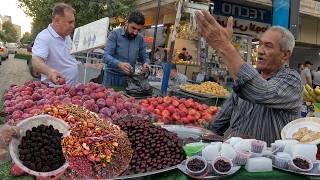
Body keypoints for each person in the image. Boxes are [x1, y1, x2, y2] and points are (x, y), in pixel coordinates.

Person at [195, 10, 302, 144]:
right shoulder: (245, 80)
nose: (260, 50)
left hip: (266, 161)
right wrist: (200, 137)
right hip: (234, 158)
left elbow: (262, 92)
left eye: (268, 46)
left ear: (285, 55)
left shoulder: (292, 80)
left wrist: (224, 46)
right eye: (260, 44)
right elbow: (221, 119)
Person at [31, 3, 78, 85]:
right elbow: (36, 61)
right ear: (56, 20)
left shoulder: (67, 36)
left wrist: (88, 65)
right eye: (70, 22)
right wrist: (50, 72)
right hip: (55, 92)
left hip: (71, 90)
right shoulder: (44, 37)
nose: (73, 26)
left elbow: (69, 60)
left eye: (73, 22)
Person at [103, 11, 150, 87]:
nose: (135, 32)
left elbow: (144, 56)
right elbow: (106, 56)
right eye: (133, 28)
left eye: (139, 30)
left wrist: (146, 63)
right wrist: (119, 64)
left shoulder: (140, 39)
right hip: (111, 78)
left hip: (129, 80)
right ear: (126, 23)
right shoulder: (114, 34)